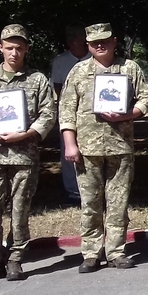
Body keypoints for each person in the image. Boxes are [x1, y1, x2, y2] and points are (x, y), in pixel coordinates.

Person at [0, 24, 56, 283]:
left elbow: (48, 115)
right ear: (0, 48)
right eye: (9, 48)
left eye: (19, 48)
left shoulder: (37, 79)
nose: (14, 53)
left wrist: (26, 134)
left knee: (20, 211)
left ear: (26, 49)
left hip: (24, 157)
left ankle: (16, 259)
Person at [60, 23, 148, 272]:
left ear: (114, 41)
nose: (99, 46)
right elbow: (66, 111)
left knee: (118, 202)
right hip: (87, 149)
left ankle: (116, 251)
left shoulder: (129, 68)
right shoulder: (78, 72)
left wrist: (127, 114)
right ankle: (90, 253)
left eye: (104, 41)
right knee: (90, 203)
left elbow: (147, 99)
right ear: (88, 45)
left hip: (119, 147)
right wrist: (70, 144)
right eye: (94, 43)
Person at [51, 26, 89, 203]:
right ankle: (72, 191)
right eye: (71, 37)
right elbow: (58, 88)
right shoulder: (60, 61)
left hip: (92, 112)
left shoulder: (94, 57)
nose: (74, 40)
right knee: (68, 151)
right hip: (69, 111)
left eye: (78, 36)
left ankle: (90, 189)